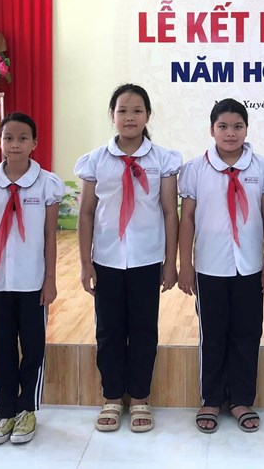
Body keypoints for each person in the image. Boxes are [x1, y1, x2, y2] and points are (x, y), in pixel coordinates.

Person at [75, 84, 181, 433]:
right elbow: (86, 213)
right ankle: (111, 397)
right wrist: (85, 262)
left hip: (146, 259)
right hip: (106, 259)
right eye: (122, 110)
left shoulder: (162, 160)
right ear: (112, 115)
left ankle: (139, 398)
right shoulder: (96, 160)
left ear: (148, 116)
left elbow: (170, 212)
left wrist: (170, 262)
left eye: (137, 110)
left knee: (143, 330)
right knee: (108, 331)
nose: (130, 117)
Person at [177, 99, 264, 434]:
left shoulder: (263, 168)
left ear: (247, 129)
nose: (230, 133)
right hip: (210, 266)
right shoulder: (195, 169)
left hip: (249, 266)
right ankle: (211, 398)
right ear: (212, 130)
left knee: (247, 333)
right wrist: (185, 264)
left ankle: (241, 399)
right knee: (213, 334)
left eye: (237, 126)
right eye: (223, 126)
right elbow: (187, 219)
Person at [0, 112, 64, 445]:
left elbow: (50, 235)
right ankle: (5, 412)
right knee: (0, 347)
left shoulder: (47, 183)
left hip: (32, 281)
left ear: (34, 143)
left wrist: (50, 279)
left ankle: (28, 410)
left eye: (23, 138)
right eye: (8, 138)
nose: (15, 144)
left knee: (33, 347)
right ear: (0, 142)